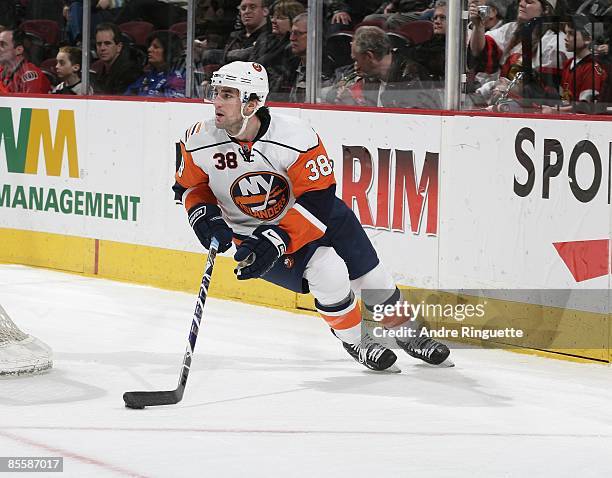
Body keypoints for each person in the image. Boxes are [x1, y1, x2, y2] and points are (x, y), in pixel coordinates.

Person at [173, 61, 452, 372]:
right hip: (255, 237)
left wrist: (280, 236)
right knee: (328, 271)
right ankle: (356, 340)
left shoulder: (295, 135)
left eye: (227, 95)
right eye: (216, 93)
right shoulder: (198, 139)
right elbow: (189, 187)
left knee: (373, 278)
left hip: (319, 215)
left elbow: (317, 196)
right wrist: (203, 215)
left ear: (252, 103)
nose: (216, 102)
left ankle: (406, 331)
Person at [468, 0, 569, 107]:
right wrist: (478, 26)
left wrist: (514, 90)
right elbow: (479, 52)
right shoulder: (510, 29)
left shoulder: (555, 42)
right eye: (521, 0)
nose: (521, 4)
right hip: (503, 105)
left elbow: (550, 94)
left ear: (546, 9)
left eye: (529, 2)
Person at [542, 15, 608, 113]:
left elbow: (585, 106)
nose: (565, 38)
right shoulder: (568, 63)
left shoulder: (591, 68)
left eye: (571, 34)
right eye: (566, 33)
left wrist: (556, 110)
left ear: (588, 39)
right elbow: (565, 99)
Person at [124, 30, 186, 97]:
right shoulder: (147, 75)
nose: (149, 50)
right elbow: (128, 96)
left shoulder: (176, 78)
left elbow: (173, 103)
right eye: (150, 46)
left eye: (156, 47)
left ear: (170, 52)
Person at [92, 22, 142, 95]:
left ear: (119, 47)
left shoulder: (130, 73)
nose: (102, 48)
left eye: (107, 43)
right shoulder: (100, 71)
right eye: (99, 44)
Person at [0, 28, 50, 93]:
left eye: (2, 45)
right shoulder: (3, 71)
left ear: (19, 50)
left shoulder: (29, 75)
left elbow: (30, 102)